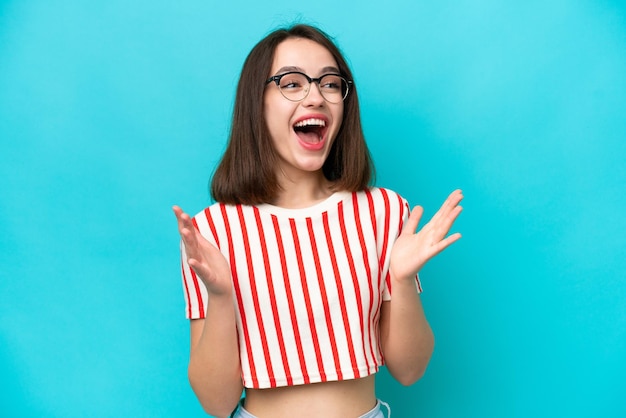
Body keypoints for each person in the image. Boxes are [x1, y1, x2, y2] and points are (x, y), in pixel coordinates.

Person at [173, 23, 463, 418]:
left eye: (330, 83)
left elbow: (410, 370)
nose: (316, 96)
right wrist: (223, 295)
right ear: (255, 103)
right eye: (291, 83)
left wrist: (399, 280)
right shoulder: (211, 231)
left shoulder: (384, 211)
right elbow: (216, 402)